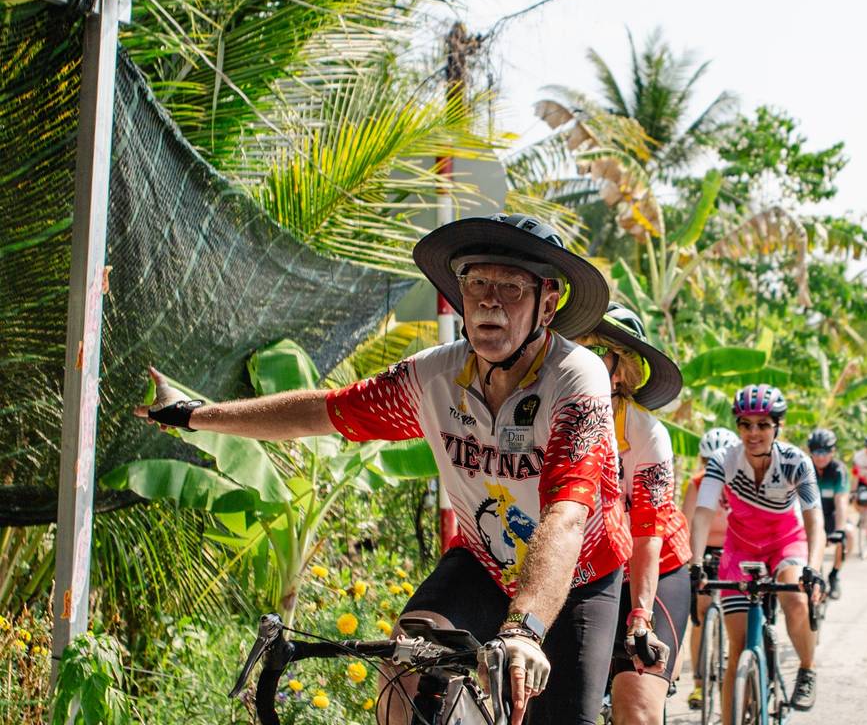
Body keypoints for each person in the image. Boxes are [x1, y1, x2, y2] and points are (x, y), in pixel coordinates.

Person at [138, 213, 626, 725]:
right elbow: (321, 411)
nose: (488, 300)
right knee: (404, 665)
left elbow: (567, 515)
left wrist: (525, 630)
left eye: (510, 287)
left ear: (547, 304)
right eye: (477, 282)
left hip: (578, 576)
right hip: (483, 564)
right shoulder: (433, 375)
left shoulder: (576, 378)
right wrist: (195, 413)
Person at [578, 303, 691, 725]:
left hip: (652, 570)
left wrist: (640, 616)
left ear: (620, 371)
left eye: (595, 353)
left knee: (636, 705)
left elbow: (647, 534)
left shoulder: (646, 433)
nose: (578, 361)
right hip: (587, 573)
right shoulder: (548, 417)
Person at [688, 385, 825, 712]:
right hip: (741, 548)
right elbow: (703, 513)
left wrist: (814, 568)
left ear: (778, 426)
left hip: (785, 542)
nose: (753, 433)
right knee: (736, 650)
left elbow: (814, 518)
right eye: (745, 424)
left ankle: (807, 669)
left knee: (794, 597)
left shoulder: (796, 462)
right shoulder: (723, 461)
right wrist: (695, 565)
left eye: (762, 424)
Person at [681, 427, 738, 711]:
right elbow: (687, 526)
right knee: (701, 615)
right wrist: (693, 566)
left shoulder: (742, 482)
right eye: (708, 462)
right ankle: (700, 686)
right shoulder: (697, 483)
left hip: (736, 552)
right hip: (705, 552)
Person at [807, 428, 851, 599]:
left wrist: (840, 530)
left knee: (849, 535)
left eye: (825, 451)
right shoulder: (805, 467)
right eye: (816, 451)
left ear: (833, 451)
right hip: (809, 516)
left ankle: (834, 575)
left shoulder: (839, 470)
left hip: (831, 516)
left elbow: (841, 502)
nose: (820, 456)